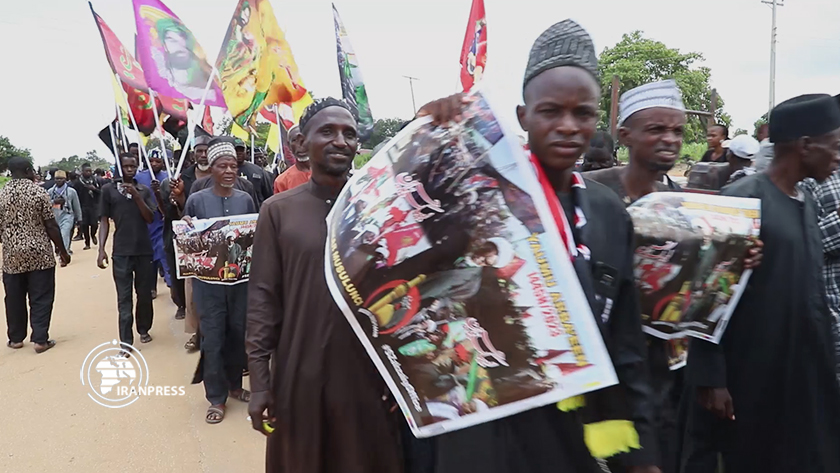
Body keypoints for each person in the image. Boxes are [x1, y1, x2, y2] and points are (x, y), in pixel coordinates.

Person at [413, 20, 659, 473]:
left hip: (572, 439)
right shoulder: (478, 195)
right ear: (524, 116)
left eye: (582, 113)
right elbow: (407, 225)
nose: (568, 127)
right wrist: (427, 135)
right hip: (483, 433)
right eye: (551, 111)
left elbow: (626, 343)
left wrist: (641, 453)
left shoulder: (607, 214)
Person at [246, 97, 403, 472]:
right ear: (303, 142)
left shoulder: (377, 206)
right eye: (327, 131)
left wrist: (402, 378)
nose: (340, 141)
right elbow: (263, 301)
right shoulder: (278, 211)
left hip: (367, 377)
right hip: (301, 376)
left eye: (349, 134)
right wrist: (261, 382)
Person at [686, 94, 840, 473]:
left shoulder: (804, 200)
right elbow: (707, 295)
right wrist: (712, 378)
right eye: (835, 147)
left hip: (802, 375)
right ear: (805, 146)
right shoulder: (743, 200)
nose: (838, 157)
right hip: (753, 377)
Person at [182, 139, 256, 424]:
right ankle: (216, 397)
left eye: (233, 166)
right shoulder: (197, 200)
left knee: (238, 334)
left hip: (239, 282)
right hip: (209, 284)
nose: (229, 171)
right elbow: (189, 238)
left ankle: (236, 385)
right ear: (211, 169)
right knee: (212, 338)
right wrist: (188, 226)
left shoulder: (245, 199)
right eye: (222, 166)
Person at [0, 157, 69, 353]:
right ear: (29, 170)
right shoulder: (39, 192)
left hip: (12, 257)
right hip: (40, 254)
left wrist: (11, 240)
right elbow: (51, 225)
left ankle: (15, 339)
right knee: (41, 297)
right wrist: (63, 251)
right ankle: (40, 340)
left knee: (13, 297)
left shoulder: (2, 195)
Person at [586, 80, 686, 205]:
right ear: (625, 136)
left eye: (677, 131)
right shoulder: (588, 190)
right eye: (656, 129)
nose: (670, 139)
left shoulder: (671, 198)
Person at [97, 153, 157, 349]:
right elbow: (104, 220)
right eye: (126, 166)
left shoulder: (144, 190)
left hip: (144, 250)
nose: (129, 170)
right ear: (120, 168)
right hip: (121, 251)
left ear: (137, 167)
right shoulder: (108, 191)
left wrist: (137, 196)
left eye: (133, 166)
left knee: (144, 295)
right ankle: (125, 340)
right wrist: (101, 249)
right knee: (124, 297)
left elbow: (150, 217)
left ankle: (143, 328)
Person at [135, 149, 171, 299]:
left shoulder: (168, 177)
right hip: (145, 224)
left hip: (162, 222)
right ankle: (151, 287)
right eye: (151, 161)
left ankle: (172, 286)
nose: (154, 164)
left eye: (158, 161)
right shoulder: (138, 177)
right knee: (149, 259)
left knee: (164, 254)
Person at [46, 170, 82, 257]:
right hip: (55, 216)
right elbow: (46, 204)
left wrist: (79, 218)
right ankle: (61, 250)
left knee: (65, 233)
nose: (58, 181)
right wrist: (54, 201)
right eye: (57, 179)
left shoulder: (71, 191)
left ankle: (64, 253)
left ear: (65, 179)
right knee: (57, 235)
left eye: (61, 179)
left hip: (67, 215)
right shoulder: (50, 191)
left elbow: (76, 205)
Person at [273, 125, 311, 193]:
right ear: (289, 145)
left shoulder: (331, 172)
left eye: (304, 139)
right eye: (295, 140)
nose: (300, 145)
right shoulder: (282, 181)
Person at [234, 138, 273, 206]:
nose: (238, 153)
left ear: (247, 152)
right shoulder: (226, 172)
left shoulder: (259, 171)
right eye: (236, 150)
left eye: (241, 150)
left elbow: (268, 195)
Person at [74, 163, 102, 250]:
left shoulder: (95, 181)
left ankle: (93, 235)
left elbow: (101, 192)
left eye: (90, 171)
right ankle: (87, 243)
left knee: (94, 224)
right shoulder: (78, 183)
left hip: (94, 206)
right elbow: (76, 195)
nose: (89, 173)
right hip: (83, 206)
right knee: (84, 225)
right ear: (82, 172)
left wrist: (94, 189)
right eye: (87, 171)